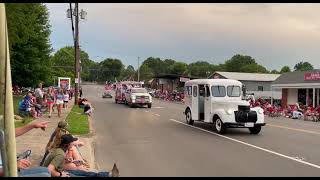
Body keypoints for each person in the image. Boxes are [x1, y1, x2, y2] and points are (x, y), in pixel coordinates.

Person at [42, 134, 116, 177]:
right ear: (67, 144)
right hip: (56, 174)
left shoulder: (60, 150)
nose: (73, 143)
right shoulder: (60, 154)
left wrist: (68, 160)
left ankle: (108, 174)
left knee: (85, 173)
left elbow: (57, 161)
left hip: (60, 171)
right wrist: (61, 174)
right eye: (72, 142)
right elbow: (49, 170)